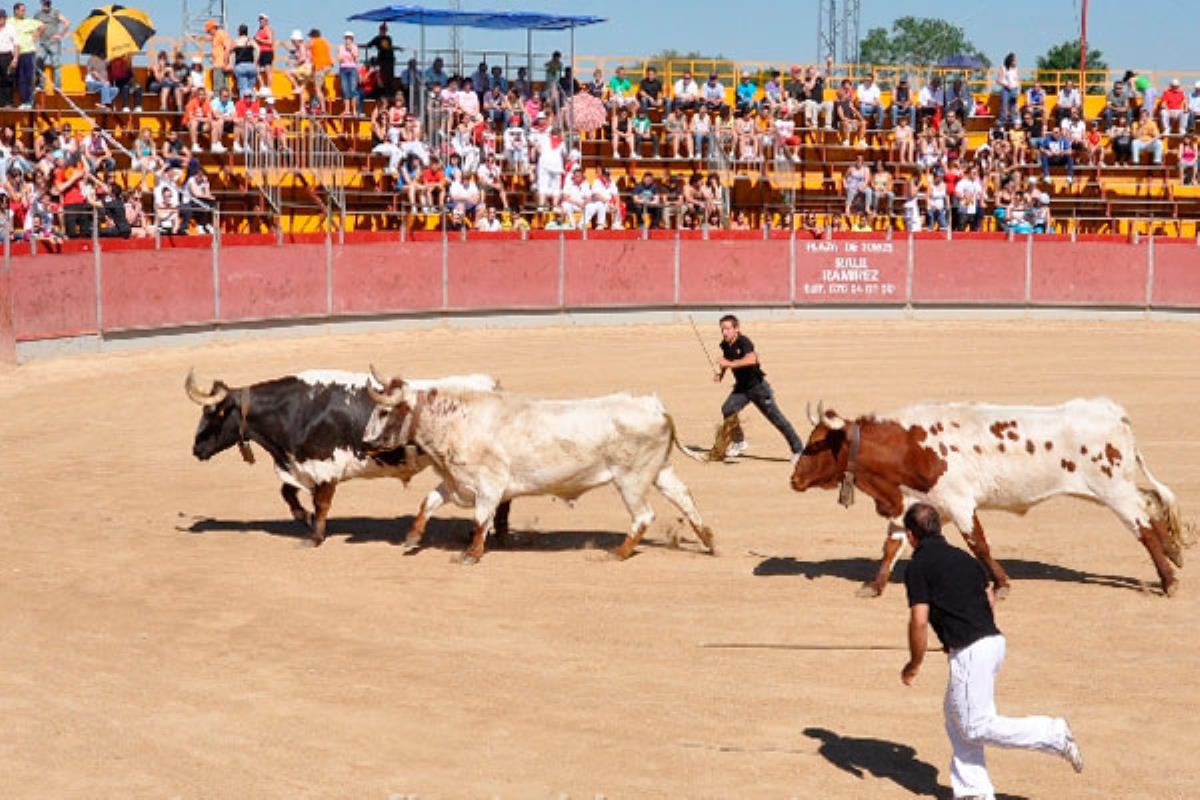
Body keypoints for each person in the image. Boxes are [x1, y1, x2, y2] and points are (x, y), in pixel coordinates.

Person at [900, 503, 1084, 800]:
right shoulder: (964, 558)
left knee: (974, 725)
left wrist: (914, 663)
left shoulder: (918, 566)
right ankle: (973, 790)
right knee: (955, 714)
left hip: (972, 650)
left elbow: (919, 620)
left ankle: (1053, 734)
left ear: (911, 535)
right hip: (992, 642)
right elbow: (988, 596)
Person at [710, 314, 804, 462]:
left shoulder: (744, 341)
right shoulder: (725, 344)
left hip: (758, 388)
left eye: (727, 329)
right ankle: (739, 442)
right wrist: (721, 373)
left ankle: (798, 449)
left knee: (777, 419)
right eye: (722, 329)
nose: (724, 332)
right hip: (741, 389)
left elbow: (752, 359)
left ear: (736, 328)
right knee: (728, 409)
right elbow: (728, 359)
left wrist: (730, 365)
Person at [33, 0, 67, 91]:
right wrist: (34, 39)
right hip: (42, 43)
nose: (46, 5)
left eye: (48, 3)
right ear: (41, 4)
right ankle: (41, 85)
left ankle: (58, 87)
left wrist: (60, 35)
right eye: (45, 3)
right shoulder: (38, 14)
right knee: (38, 62)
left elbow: (67, 23)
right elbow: (33, 27)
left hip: (53, 43)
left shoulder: (55, 12)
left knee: (56, 65)